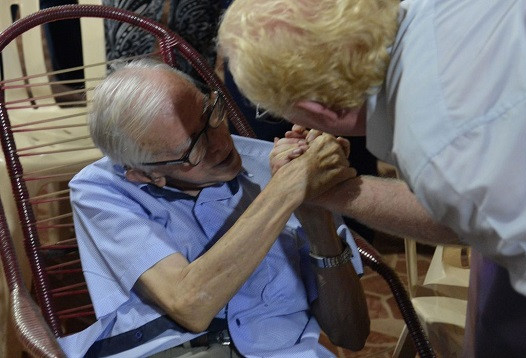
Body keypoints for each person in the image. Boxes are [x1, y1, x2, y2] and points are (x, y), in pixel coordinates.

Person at [218, 0, 526, 356]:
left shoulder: (441, 148)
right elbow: (465, 216)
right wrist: (337, 192)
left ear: (322, 109)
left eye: (284, 114)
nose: (295, 126)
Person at [58, 58, 370, 357]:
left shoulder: (275, 165)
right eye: (192, 147)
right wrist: (286, 190)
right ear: (147, 174)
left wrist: (316, 216)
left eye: (212, 115)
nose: (220, 143)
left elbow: (351, 334)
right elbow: (190, 305)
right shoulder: (102, 190)